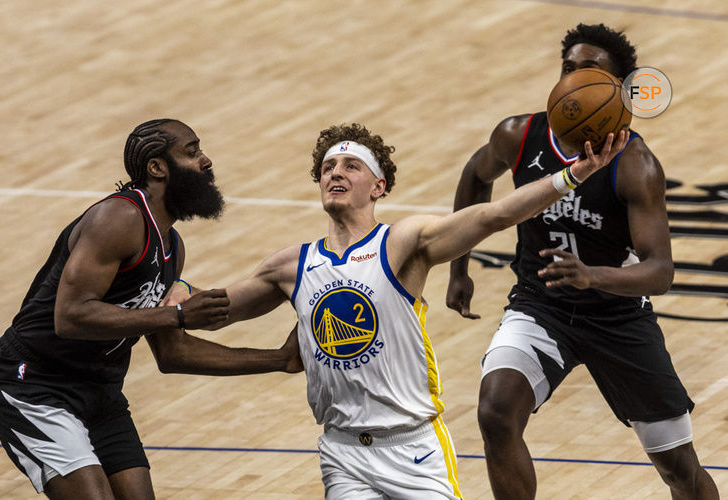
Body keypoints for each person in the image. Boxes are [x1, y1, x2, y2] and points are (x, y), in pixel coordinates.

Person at [197, 122, 626, 498]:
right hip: (342, 453)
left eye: (351, 166)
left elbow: (495, 216)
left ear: (378, 185)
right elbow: (215, 309)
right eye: (328, 167)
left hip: (413, 448)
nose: (336, 173)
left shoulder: (403, 242)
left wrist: (571, 176)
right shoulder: (289, 266)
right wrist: (164, 279)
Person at [446, 23, 718, 499]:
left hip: (617, 317)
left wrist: (592, 276)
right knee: (494, 410)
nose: (573, 78)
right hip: (541, 305)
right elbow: (475, 175)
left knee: (679, 469)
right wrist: (458, 267)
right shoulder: (519, 134)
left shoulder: (635, 165)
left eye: (589, 71)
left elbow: (660, 271)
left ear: (618, 89)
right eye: (568, 68)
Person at [0, 118, 302, 499]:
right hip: (33, 382)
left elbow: (173, 353)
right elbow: (69, 317)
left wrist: (280, 359)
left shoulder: (172, 246)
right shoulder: (119, 218)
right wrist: (179, 315)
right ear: (157, 166)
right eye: (192, 150)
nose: (206, 161)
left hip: (100, 388)